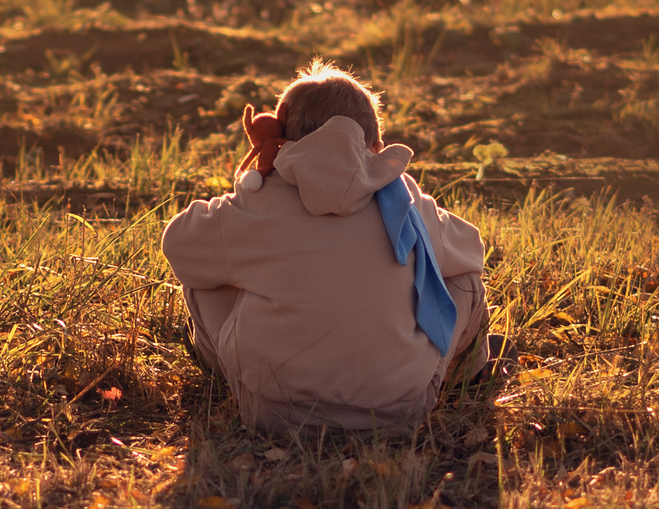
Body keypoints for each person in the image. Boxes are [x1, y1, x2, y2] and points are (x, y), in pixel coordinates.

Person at [162, 60, 491, 433]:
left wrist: (252, 182)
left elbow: (179, 246)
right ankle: (469, 377)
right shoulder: (406, 198)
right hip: (400, 412)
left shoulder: (257, 203)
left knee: (204, 272)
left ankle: (228, 376)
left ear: (278, 129)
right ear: (376, 145)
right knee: (465, 281)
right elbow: (471, 253)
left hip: (272, 413)